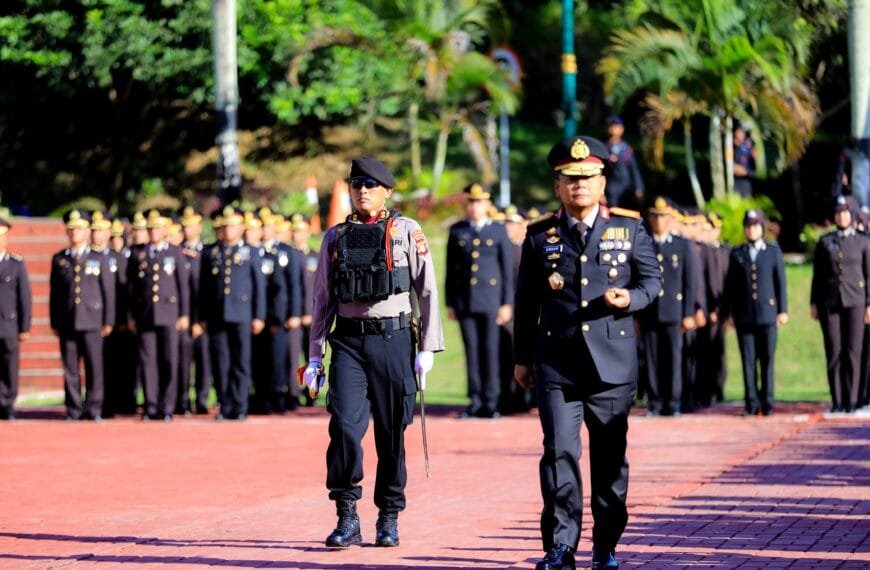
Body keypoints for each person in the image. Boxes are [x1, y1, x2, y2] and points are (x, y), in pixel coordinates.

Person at [513, 136, 662, 570]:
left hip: (611, 365)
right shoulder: (540, 235)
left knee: (610, 460)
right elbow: (526, 303)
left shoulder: (629, 228)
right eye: (570, 179)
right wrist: (522, 358)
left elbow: (651, 283)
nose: (579, 185)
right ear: (558, 185)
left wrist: (628, 300)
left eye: (588, 178)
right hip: (557, 362)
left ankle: (606, 545)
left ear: (602, 182)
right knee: (559, 454)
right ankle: (560, 547)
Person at [303, 156, 444, 548]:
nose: (362, 191)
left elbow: (427, 290)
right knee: (345, 428)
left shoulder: (406, 231)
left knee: (391, 432)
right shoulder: (335, 237)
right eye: (356, 185)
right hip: (348, 341)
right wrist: (315, 356)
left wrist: (428, 348)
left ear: (387, 190)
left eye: (370, 184)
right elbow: (322, 299)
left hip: (394, 340)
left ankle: (388, 515)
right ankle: (347, 514)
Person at [445, 183, 514, 418]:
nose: (475, 207)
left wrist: (507, 303)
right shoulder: (457, 230)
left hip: (491, 300)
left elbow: (506, 270)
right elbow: (450, 271)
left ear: (487, 204)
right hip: (465, 301)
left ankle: (490, 401)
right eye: (471, 202)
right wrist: (450, 302)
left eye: (479, 202)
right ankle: (474, 401)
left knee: (490, 352)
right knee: (471, 352)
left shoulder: (497, 230)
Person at [199, 206, 266, 421]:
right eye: (225, 226)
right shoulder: (211, 252)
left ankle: (239, 405)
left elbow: (259, 287)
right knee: (221, 363)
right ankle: (224, 405)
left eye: (233, 226)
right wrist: (202, 316)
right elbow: (203, 288)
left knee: (240, 362)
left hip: (242, 314)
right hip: (217, 315)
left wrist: (259, 316)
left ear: (240, 228)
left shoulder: (251, 252)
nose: (228, 230)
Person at [50, 210, 115, 421]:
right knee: (70, 369)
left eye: (79, 229)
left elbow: (108, 291)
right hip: (68, 320)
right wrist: (54, 321)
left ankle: (94, 407)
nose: (74, 233)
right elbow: (55, 294)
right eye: (71, 229)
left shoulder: (98, 257)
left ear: (87, 231)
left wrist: (108, 320)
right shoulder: (60, 259)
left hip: (92, 320)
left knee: (94, 367)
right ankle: (73, 408)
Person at [723, 210, 788, 416]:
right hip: (744, 315)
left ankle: (767, 401)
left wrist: (782, 310)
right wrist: (730, 312)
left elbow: (780, 283)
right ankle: (751, 402)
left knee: (767, 359)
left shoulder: (772, 251)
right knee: (748, 361)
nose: (752, 230)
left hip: (767, 314)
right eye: (749, 226)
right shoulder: (737, 253)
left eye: (755, 226)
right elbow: (730, 286)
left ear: (762, 228)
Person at [126, 210, 190, 421]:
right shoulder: (138, 254)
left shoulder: (174, 253)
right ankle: (151, 405)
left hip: (169, 313)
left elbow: (183, 286)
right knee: (148, 361)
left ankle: (167, 406)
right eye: (150, 228)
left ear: (164, 230)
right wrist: (131, 316)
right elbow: (131, 289)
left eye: (157, 228)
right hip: (145, 315)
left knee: (169, 360)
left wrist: (184, 314)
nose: (153, 232)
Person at [637, 197, 696, 417]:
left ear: (670, 218)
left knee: (673, 358)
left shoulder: (682, 245)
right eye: (655, 216)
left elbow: (689, 282)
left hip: (674, 310)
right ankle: (655, 401)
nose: (659, 221)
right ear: (650, 218)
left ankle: (673, 401)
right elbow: (635, 278)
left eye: (663, 217)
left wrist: (688, 312)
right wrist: (636, 315)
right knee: (652, 359)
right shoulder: (643, 244)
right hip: (649, 311)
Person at [811, 196, 870, 413]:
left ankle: (853, 400)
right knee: (834, 351)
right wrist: (814, 302)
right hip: (830, 302)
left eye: (845, 212)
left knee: (853, 351)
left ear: (852, 215)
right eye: (838, 212)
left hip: (856, 300)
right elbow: (817, 276)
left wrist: (869, 304)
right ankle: (837, 400)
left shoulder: (863, 242)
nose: (841, 216)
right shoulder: (825, 242)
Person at [90, 213, 129, 418]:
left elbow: (124, 292)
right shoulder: (88, 257)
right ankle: (100, 403)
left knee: (117, 364)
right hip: (96, 318)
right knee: (99, 364)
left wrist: (121, 319)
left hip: (117, 320)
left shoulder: (118, 258)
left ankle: (116, 401)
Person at [177, 206, 211, 414]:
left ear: (199, 227)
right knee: (182, 363)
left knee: (203, 363)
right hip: (182, 317)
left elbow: (207, 291)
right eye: (185, 226)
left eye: (191, 226)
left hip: (202, 319)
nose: (187, 230)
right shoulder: (177, 253)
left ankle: (201, 400)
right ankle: (182, 401)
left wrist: (201, 320)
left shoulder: (206, 252)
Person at [0, 217, 31, 420]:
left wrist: (24, 326)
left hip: (8, 323)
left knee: (10, 367)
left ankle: (7, 405)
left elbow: (24, 297)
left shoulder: (16, 263)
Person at [288, 213, 318, 407]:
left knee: (313, 359)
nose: (298, 234)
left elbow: (319, 289)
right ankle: (292, 394)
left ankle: (312, 393)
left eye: (301, 231)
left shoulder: (315, 256)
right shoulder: (287, 256)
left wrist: (311, 313)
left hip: (313, 315)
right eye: (295, 231)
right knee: (292, 357)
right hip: (293, 316)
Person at [604, 116, 644, 208]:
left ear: (622, 129)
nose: (613, 129)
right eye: (611, 126)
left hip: (626, 188)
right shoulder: (604, 147)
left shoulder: (626, 148)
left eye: (616, 127)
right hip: (610, 189)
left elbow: (634, 169)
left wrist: (638, 186)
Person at [733, 126, 756, 197]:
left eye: (742, 132)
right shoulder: (728, 147)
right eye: (739, 131)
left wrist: (746, 172)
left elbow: (757, 171)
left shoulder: (749, 149)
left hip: (746, 186)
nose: (741, 134)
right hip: (731, 185)